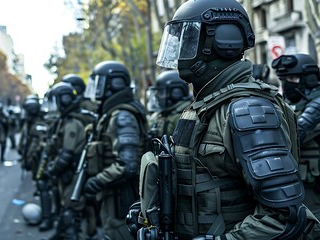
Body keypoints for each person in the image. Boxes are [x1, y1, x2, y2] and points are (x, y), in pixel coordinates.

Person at [130, 0, 320, 239]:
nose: (180, 52)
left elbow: (282, 215)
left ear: (222, 42)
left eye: (188, 39)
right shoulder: (205, 105)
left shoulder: (249, 110)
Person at [83, 60, 148, 240]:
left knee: (118, 234)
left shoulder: (122, 116)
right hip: (114, 190)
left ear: (112, 84)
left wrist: (97, 181)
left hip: (122, 194)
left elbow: (127, 165)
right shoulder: (113, 112)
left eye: (99, 83)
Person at [42, 82, 96, 240]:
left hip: (73, 173)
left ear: (63, 101)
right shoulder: (64, 121)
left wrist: (52, 169)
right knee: (67, 208)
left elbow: (67, 154)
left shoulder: (72, 123)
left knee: (71, 211)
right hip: (69, 174)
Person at [272, 53, 320, 220]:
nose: (286, 84)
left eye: (292, 78)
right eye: (283, 79)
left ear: (310, 78)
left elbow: (294, 136)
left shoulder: (316, 104)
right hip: (292, 184)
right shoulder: (287, 104)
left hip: (314, 186)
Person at [147, 70, 192, 139]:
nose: (156, 95)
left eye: (161, 92)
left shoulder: (184, 117)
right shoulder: (160, 114)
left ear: (176, 93)